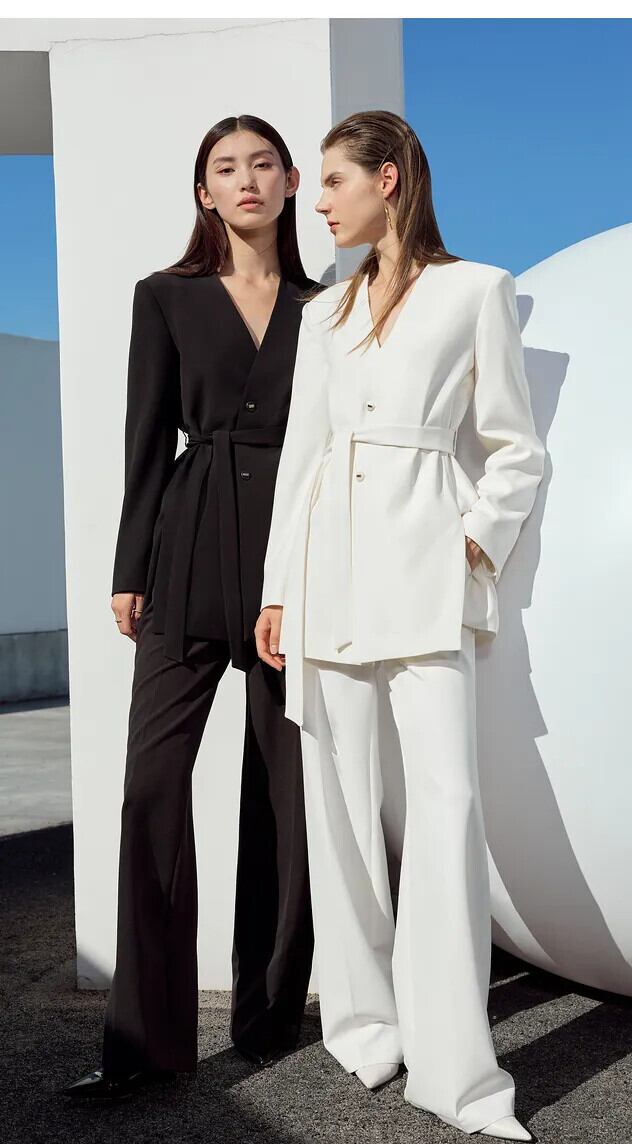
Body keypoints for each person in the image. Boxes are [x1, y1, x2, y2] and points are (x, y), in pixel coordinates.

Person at [254, 110, 546, 1140]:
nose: (319, 202)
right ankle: (366, 1026)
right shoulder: (323, 315)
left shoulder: (477, 291)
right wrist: (277, 587)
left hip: (423, 570)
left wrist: (472, 542)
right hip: (327, 568)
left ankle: (458, 1072)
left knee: (445, 807)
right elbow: (302, 454)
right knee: (338, 811)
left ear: (388, 179)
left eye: (333, 181)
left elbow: (515, 446)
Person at [63, 115, 322, 1102]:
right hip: (186, 545)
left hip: (291, 563)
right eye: (225, 167)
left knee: (285, 793)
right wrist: (128, 567)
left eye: (262, 163)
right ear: (203, 192)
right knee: (153, 791)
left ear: (291, 181)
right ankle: (145, 1044)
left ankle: (269, 1014)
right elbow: (143, 438)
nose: (245, 179)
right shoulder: (165, 295)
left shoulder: (325, 308)